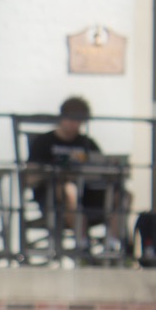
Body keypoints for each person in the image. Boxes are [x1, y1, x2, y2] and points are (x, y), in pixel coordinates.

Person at [26, 95, 127, 253]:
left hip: (88, 195)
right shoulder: (43, 142)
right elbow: (30, 177)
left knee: (123, 196)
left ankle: (114, 245)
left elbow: (100, 168)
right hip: (54, 198)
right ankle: (82, 245)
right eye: (72, 119)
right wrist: (59, 172)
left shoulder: (87, 143)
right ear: (62, 117)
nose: (75, 125)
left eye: (79, 121)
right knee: (69, 190)